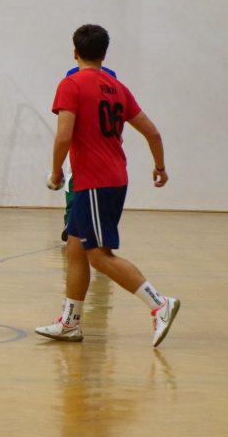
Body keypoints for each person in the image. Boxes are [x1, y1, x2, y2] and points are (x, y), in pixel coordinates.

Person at [36, 24, 179, 347]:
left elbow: (63, 135)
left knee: (99, 256)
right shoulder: (118, 88)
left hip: (95, 182)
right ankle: (70, 322)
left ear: (75, 52)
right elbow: (153, 132)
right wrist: (160, 167)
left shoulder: (70, 84)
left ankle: (160, 304)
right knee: (75, 249)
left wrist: (56, 171)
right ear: (104, 54)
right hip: (112, 178)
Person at [61, 64, 116, 242]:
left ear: (76, 53)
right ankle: (74, 222)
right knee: (80, 181)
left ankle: (76, 222)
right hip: (100, 144)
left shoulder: (73, 76)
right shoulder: (110, 76)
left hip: (88, 142)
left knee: (76, 180)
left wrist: (55, 168)